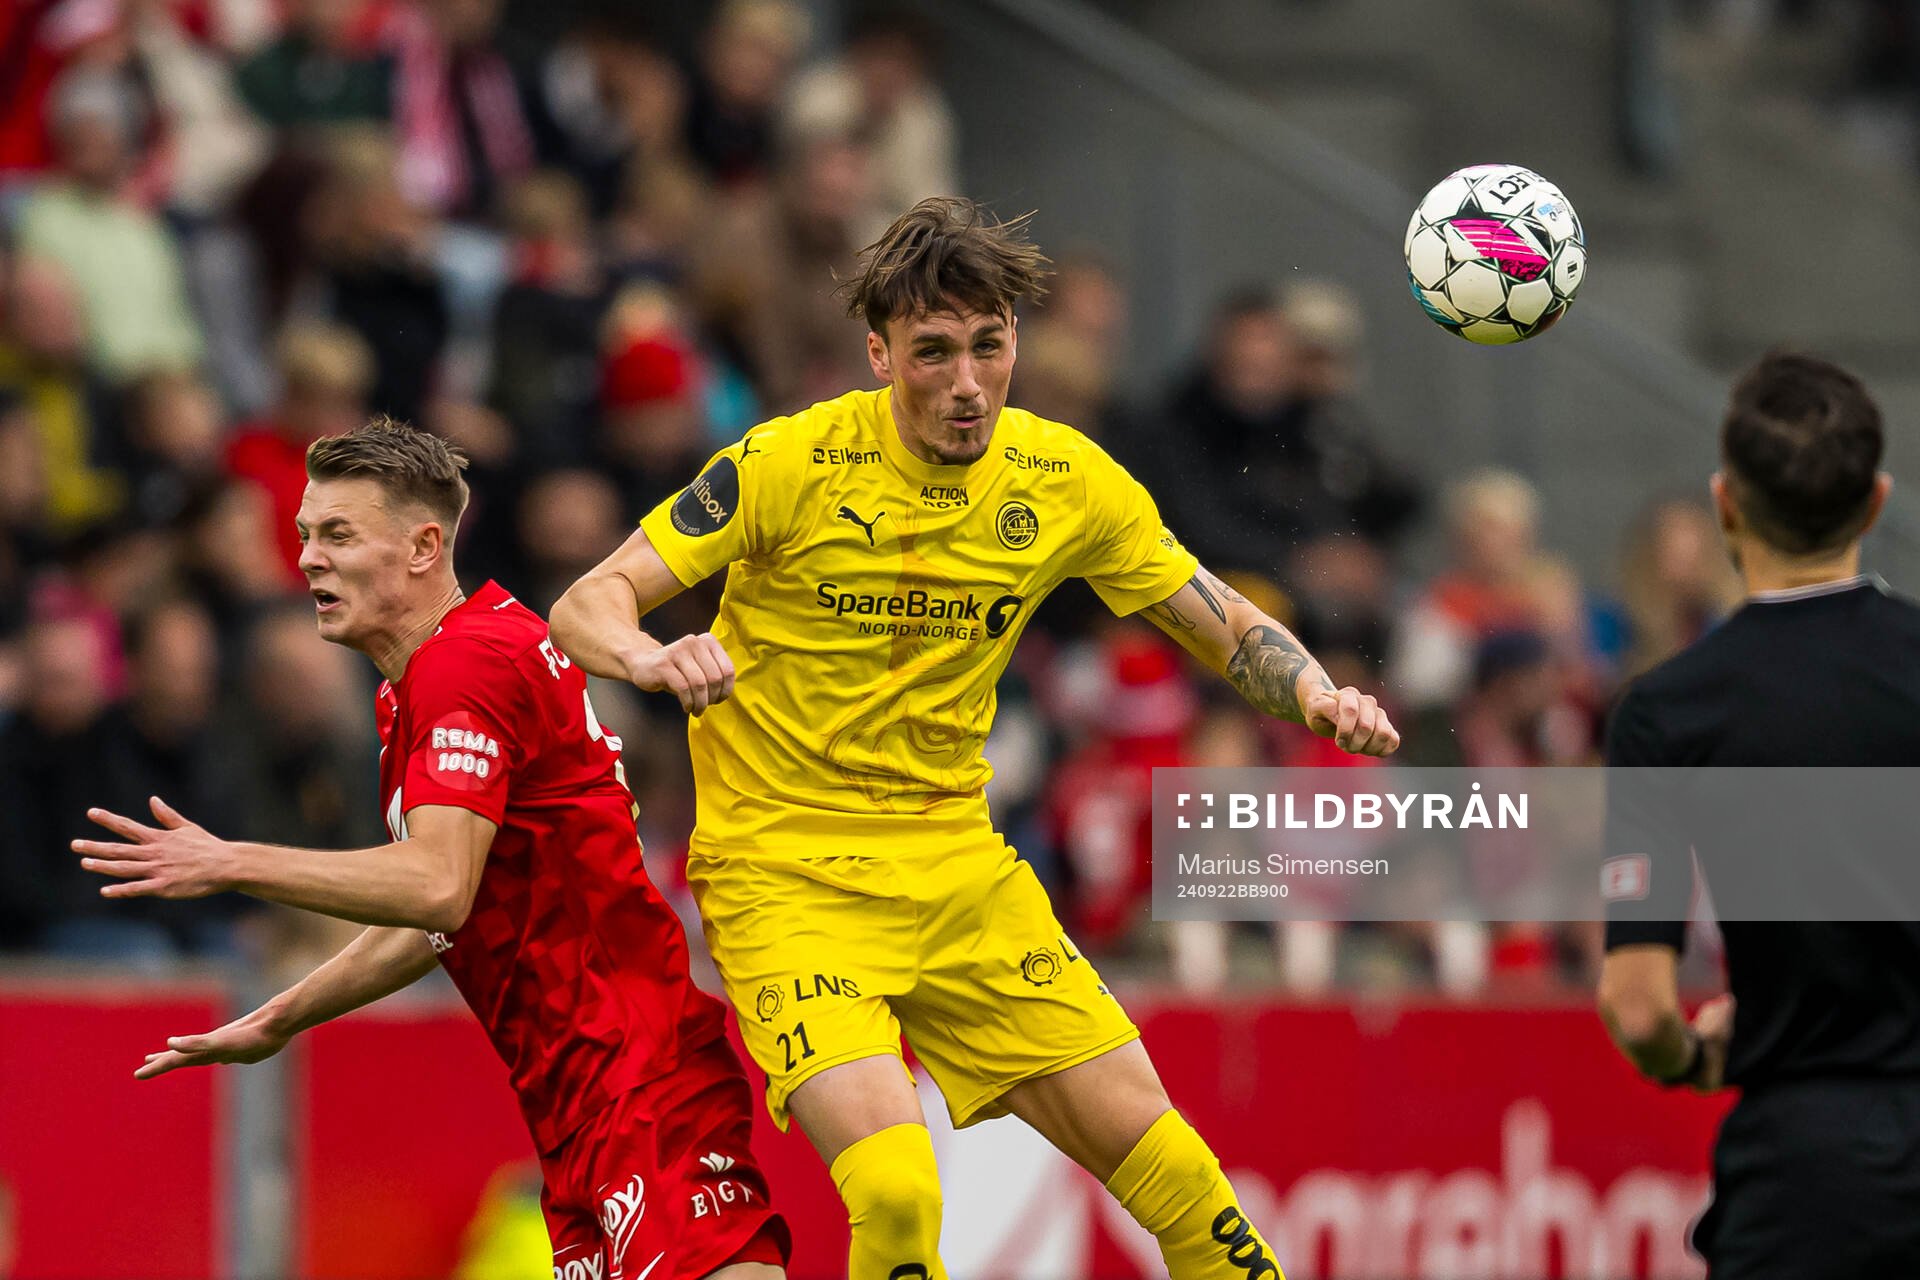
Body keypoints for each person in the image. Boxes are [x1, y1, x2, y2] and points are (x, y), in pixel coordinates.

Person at [550, 196, 1399, 1280]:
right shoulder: (787, 463)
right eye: (932, 351)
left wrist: (1317, 694)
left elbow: (1218, 613)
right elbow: (589, 600)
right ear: (878, 352)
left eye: (988, 346)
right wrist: (653, 655)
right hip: (786, 877)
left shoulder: (1066, 480)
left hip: (960, 873)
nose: (965, 381)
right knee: (900, 1191)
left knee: (1193, 1191)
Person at [73, 420, 788, 1280]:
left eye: (338, 534)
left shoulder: (465, 673)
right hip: (580, 1100)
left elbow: (437, 886)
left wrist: (230, 860)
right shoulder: (432, 679)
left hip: (638, 1080)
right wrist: (282, 1016)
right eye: (305, 535)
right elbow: (447, 914)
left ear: (422, 547)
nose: (306, 560)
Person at [1596, 351, 1920, 1278]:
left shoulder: (1675, 709)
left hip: (1809, 1171)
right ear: (1876, 502)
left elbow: (1639, 1001)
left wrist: (1688, 1061)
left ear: (1726, 503)